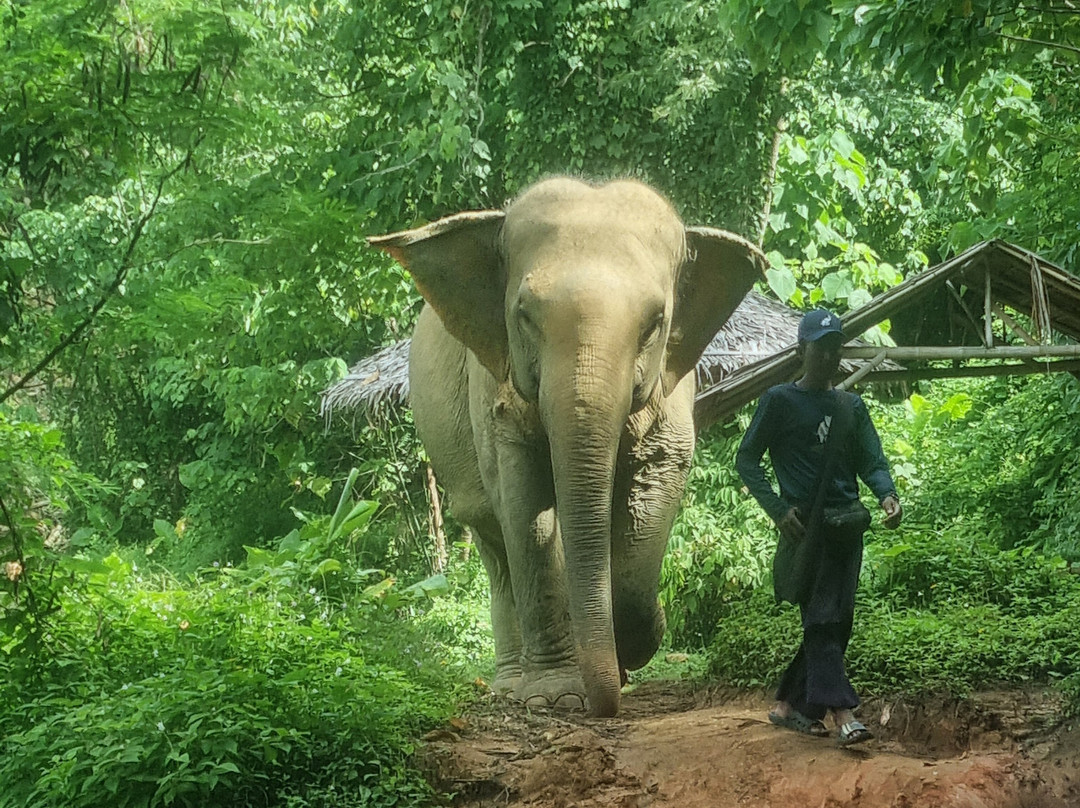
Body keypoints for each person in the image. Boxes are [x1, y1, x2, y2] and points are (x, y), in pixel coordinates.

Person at [736, 308, 902, 746]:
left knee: (837, 622)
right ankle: (844, 713)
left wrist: (887, 494)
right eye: (821, 347)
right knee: (822, 620)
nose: (830, 355)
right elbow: (746, 459)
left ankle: (788, 705)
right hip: (806, 532)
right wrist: (776, 508)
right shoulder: (778, 402)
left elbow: (872, 461)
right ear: (801, 350)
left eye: (836, 347)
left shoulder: (851, 406)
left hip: (847, 527)